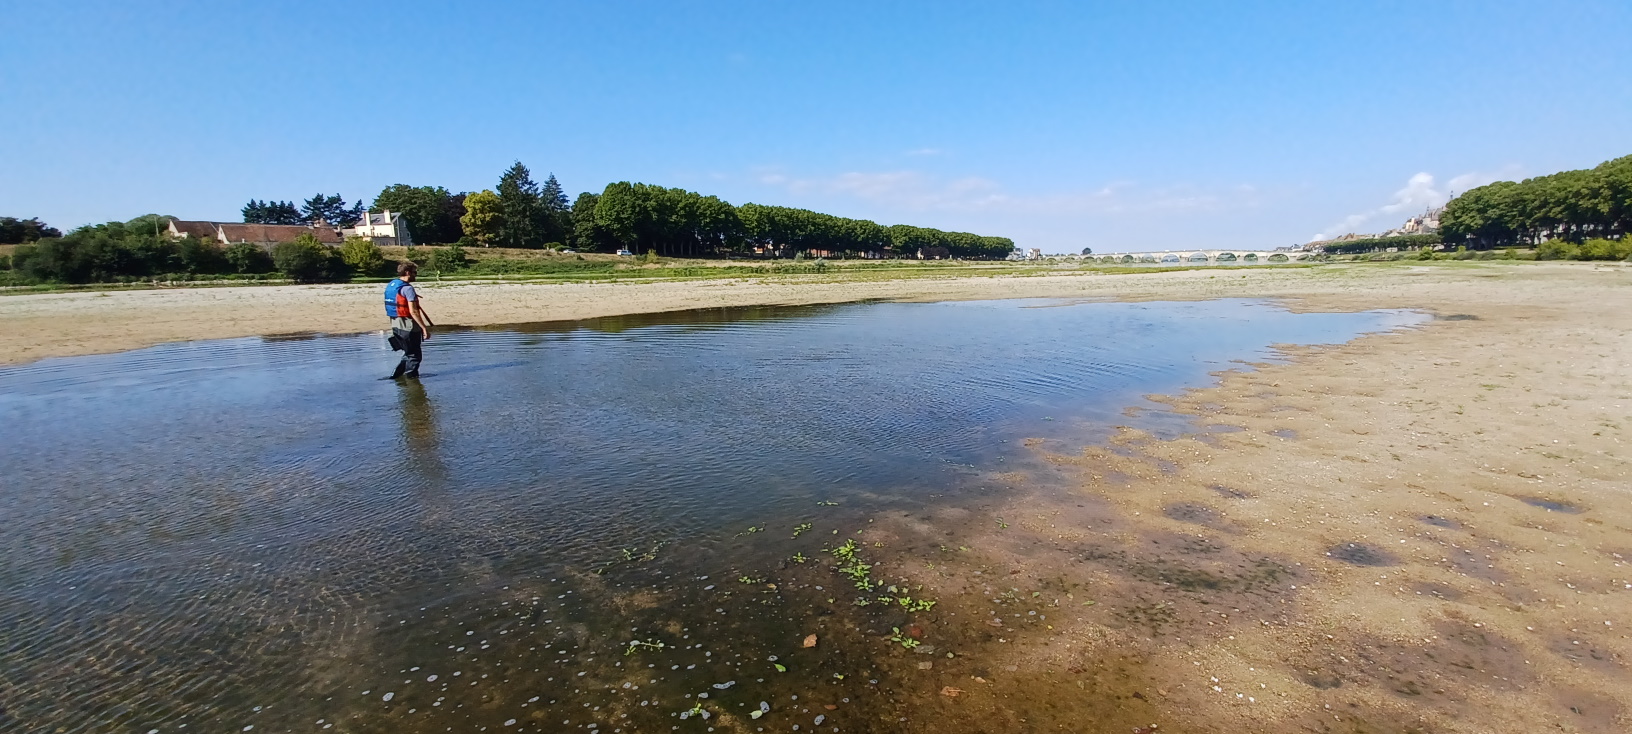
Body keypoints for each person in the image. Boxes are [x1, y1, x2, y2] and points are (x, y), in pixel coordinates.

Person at [385, 261, 433, 379]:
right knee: (415, 356)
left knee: (408, 353)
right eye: (414, 272)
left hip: (396, 325)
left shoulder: (393, 285)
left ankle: (395, 377)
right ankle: (412, 382)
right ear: (407, 272)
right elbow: (413, 311)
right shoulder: (407, 288)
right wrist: (424, 328)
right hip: (408, 326)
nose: (416, 275)